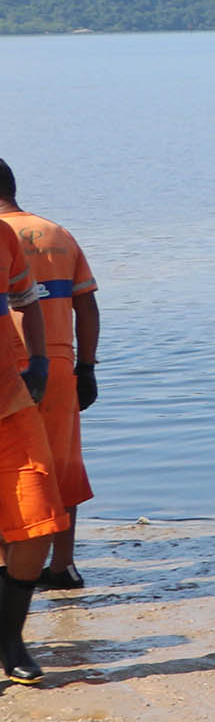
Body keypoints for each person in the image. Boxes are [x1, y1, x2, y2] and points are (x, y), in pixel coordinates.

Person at [0, 163, 97, 591]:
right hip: (56, 365)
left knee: (12, 470)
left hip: (8, 367)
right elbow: (87, 306)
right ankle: (62, 565)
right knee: (63, 465)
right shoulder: (58, 234)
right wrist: (88, 367)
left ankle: (9, 564)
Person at [0, 217, 62, 685]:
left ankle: (10, 638)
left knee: (38, 522)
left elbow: (27, 301)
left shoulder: (4, 237)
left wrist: (39, 360)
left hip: (11, 404)